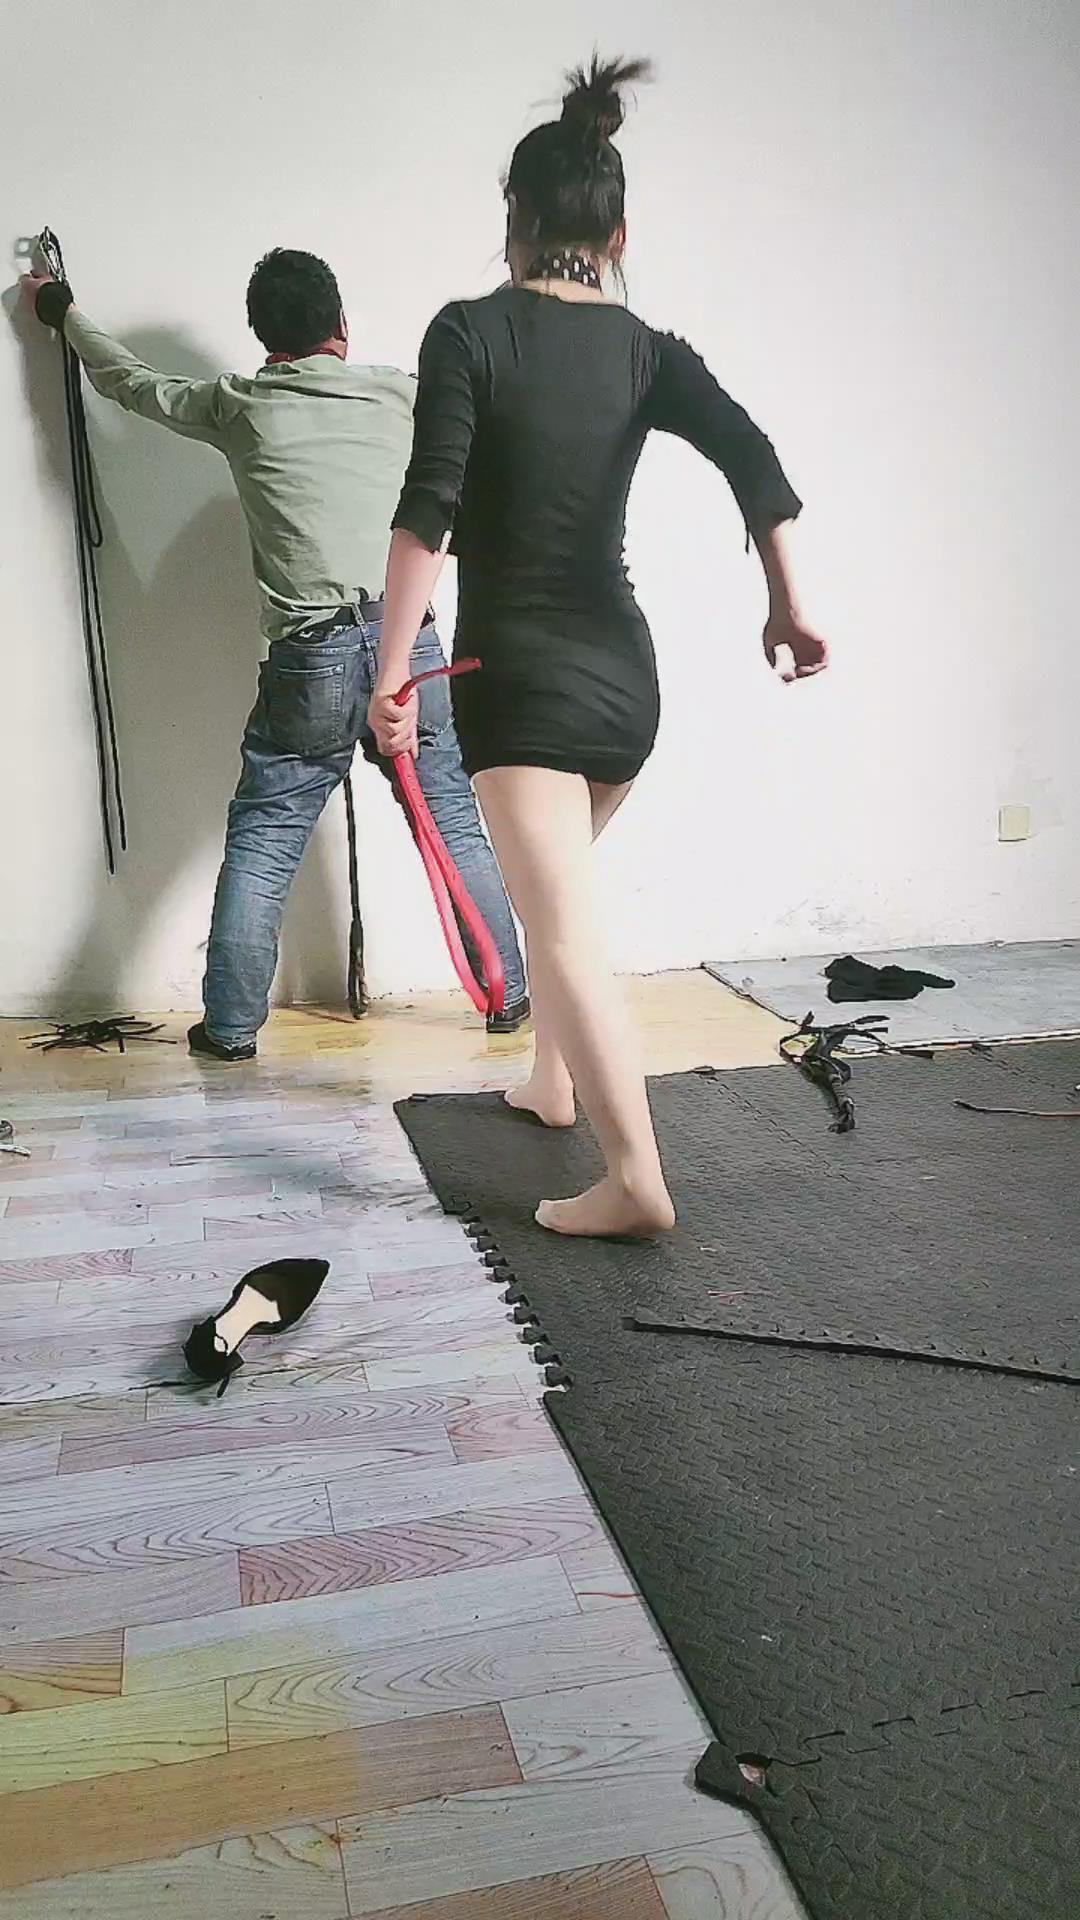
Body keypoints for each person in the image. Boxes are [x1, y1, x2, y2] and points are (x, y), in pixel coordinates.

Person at [368, 56, 828, 1239]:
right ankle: (554, 1085)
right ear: (618, 235)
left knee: (565, 929)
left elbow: (430, 506)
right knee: (554, 894)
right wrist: (787, 604)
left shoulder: (468, 332)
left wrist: (391, 670)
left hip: (517, 681)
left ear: (512, 219)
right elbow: (753, 455)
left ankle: (634, 1180)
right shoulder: (645, 348)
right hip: (627, 689)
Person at [26, 249, 529, 1060]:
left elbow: (127, 382)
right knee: (451, 821)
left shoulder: (241, 405)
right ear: (342, 325)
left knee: (265, 839)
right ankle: (509, 998)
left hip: (313, 658)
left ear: (264, 337)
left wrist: (63, 313)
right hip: (409, 645)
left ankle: (229, 1029)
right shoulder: (402, 394)